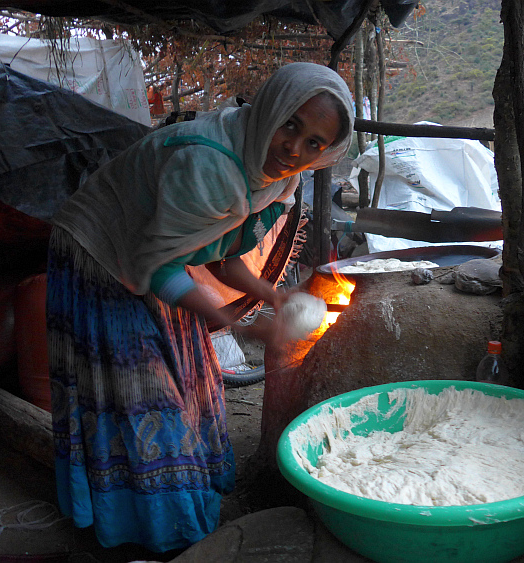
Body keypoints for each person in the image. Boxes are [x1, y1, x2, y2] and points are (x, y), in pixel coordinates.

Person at [46, 62, 354, 553]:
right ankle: (157, 531)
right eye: (290, 124)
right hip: (100, 249)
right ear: (270, 108)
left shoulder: (277, 176)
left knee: (188, 375)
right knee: (140, 391)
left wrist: (272, 296)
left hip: (152, 253)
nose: (295, 148)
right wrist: (238, 324)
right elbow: (159, 266)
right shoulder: (207, 164)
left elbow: (221, 248)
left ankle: (185, 499)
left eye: (315, 142)